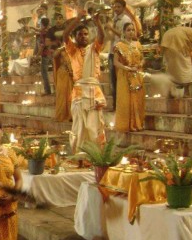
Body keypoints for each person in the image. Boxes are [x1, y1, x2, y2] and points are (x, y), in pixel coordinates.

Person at [64, 10, 106, 153]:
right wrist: (77, 19)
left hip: (94, 91)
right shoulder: (72, 50)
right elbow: (64, 35)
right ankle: (80, 155)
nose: (83, 36)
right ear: (75, 37)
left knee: (94, 126)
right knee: (80, 125)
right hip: (79, 93)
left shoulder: (94, 49)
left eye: (86, 34)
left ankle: (96, 155)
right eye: (80, 34)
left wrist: (97, 22)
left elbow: (102, 37)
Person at [160, 26, 192, 97]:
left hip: (166, 37)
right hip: (178, 39)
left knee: (171, 67)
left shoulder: (190, 30)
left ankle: (169, 92)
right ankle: (186, 92)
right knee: (185, 67)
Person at [112, 22, 145, 132]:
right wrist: (127, 68)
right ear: (124, 32)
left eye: (132, 30)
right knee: (126, 100)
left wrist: (140, 65)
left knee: (138, 99)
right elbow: (115, 62)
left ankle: (137, 123)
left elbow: (143, 58)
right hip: (125, 75)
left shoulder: (138, 44)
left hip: (137, 75)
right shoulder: (119, 46)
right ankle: (128, 124)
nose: (131, 32)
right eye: (128, 30)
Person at [106, 0, 133, 109]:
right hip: (112, 51)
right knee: (113, 80)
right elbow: (112, 37)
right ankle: (116, 104)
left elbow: (124, 35)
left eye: (118, 7)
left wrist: (111, 28)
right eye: (114, 6)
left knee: (120, 79)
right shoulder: (114, 19)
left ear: (123, 8)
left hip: (121, 53)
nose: (116, 9)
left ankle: (122, 104)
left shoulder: (126, 19)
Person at [53, 44, 73, 122]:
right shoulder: (61, 49)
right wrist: (62, 48)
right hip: (62, 74)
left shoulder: (74, 48)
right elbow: (55, 55)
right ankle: (62, 115)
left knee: (71, 95)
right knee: (61, 94)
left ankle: (71, 115)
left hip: (72, 75)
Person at [36, 17, 52, 96]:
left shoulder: (43, 32)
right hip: (51, 53)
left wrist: (37, 55)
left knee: (44, 73)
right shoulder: (50, 30)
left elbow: (43, 45)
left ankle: (47, 90)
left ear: (42, 24)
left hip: (45, 54)